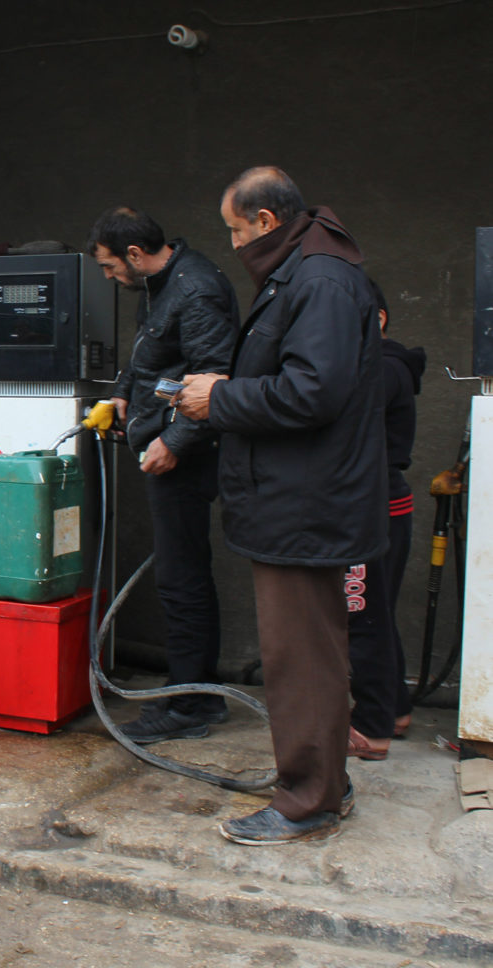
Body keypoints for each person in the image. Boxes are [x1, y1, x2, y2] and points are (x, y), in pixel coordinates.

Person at [176, 167, 386, 844]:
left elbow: (312, 392)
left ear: (266, 221)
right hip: (302, 500)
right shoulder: (309, 267)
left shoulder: (319, 279)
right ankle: (328, 783)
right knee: (311, 653)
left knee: (302, 661)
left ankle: (308, 800)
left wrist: (220, 397)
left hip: (306, 503)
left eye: (235, 230)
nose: (233, 243)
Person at [87, 206, 239, 743]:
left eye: (109, 267)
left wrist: (173, 443)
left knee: (182, 578)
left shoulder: (196, 291)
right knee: (178, 574)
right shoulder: (159, 284)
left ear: (134, 255)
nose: (108, 277)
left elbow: (212, 376)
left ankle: (192, 704)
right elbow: (151, 350)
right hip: (160, 443)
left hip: (186, 457)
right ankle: (191, 696)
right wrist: (123, 390)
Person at [345, 281, 426, 760]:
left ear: (377, 319)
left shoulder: (382, 369)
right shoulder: (388, 366)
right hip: (386, 506)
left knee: (361, 616)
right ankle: (394, 708)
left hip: (371, 509)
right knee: (376, 613)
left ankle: (372, 727)